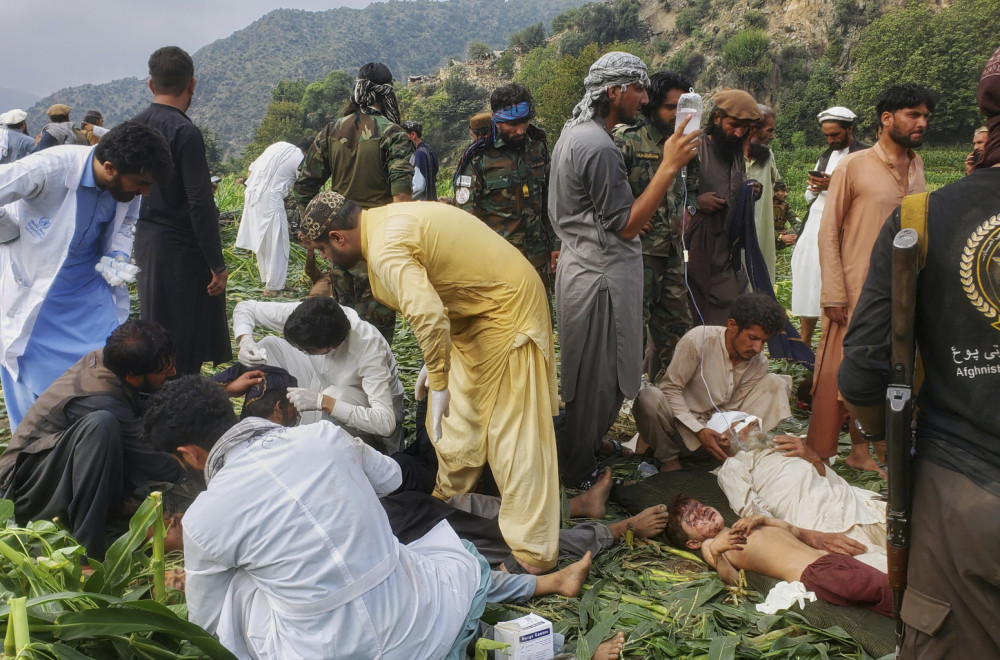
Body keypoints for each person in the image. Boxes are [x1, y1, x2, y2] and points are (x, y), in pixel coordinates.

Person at [147, 375, 592, 660]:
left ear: (187, 455)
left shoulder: (204, 519)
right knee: (428, 555)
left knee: (238, 589)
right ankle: (531, 638)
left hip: (324, 649)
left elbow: (207, 626)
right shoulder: (323, 436)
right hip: (422, 621)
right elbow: (393, 477)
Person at [300, 191, 560, 575]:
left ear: (339, 237)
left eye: (323, 249)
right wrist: (437, 358)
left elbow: (427, 313)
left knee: (512, 432)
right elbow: (446, 283)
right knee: (458, 419)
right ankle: (450, 498)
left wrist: (439, 376)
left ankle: (533, 553)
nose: (325, 258)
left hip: (506, 312)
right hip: (474, 317)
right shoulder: (385, 222)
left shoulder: (386, 247)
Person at [838, 45, 1000, 657]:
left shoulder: (927, 214)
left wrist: (883, 438)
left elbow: (863, 372)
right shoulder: (862, 170)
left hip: (963, 494)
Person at [549, 52, 702, 489]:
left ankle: (585, 446)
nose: (644, 96)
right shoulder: (599, 146)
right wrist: (669, 164)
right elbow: (626, 224)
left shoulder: (578, 135)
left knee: (593, 374)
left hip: (588, 268)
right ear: (612, 91)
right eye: (637, 88)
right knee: (599, 381)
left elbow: (610, 214)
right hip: (600, 279)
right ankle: (578, 472)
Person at [0, 121, 173, 429]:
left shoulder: (127, 187)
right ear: (110, 168)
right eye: (141, 183)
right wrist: (8, 230)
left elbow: (126, 224)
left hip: (88, 293)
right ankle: (33, 463)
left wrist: (118, 253)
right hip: (39, 296)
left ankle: (89, 445)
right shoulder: (50, 168)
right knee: (34, 390)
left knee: (101, 368)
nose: (145, 192)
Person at [806, 83, 933, 474]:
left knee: (886, 368)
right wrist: (833, 291)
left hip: (902, 288)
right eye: (914, 115)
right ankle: (819, 453)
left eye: (926, 116)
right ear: (886, 118)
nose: (922, 123)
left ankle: (861, 450)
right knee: (837, 373)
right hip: (854, 286)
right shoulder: (853, 165)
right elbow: (828, 230)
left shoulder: (917, 165)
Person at [0, 320, 183, 560]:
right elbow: (151, 459)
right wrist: (199, 466)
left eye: (171, 363)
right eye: (164, 370)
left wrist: (217, 391)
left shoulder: (113, 361)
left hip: (57, 463)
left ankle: (114, 504)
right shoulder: (101, 399)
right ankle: (87, 554)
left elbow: (150, 408)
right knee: (102, 426)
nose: (173, 372)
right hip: (23, 489)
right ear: (133, 377)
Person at [292, 62, 414, 343]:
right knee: (377, 335)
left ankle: (344, 383)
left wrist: (314, 231)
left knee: (344, 325)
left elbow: (303, 187)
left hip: (338, 245)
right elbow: (402, 200)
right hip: (377, 246)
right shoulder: (394, 134)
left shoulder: (331, 131)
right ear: (387, 94)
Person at [132, 46, 231, 375]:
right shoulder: (184, 132)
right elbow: (200, 202)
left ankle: (156, 396)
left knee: (155, 328)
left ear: (151, 85)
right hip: (181, 250)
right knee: (182, 335)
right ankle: (181, 403)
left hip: (145, 244)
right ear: (192, 84)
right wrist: (217, 264)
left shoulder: (135, 127)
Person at [633, 292, 791, 471]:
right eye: (753, 338)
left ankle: (736, 456)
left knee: (776, 383)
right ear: (732, 325)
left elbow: (737, 408)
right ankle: (668, 459)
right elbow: (670, 389)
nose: (757, 348)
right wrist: (699, 430)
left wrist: (730, 431)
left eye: (764, 341)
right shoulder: (699, 340)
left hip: (721, 438)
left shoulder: (759, 362)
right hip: (681, 431)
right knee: (648, 397)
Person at [665, 495, 891, 616]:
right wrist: (717, 551)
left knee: (882, 587)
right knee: (880, 586)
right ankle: (921, 615)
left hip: (833, 560)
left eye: (699, 505)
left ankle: (912, 615)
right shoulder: (712, 545)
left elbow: (792, 531)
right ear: (693, 542)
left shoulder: (747, 525)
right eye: (693, 519)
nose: (701, 511)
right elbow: (734, 581)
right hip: (817, 574)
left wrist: (763, 520)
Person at [232, 296, 405, 453]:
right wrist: (245, 340)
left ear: (335, 346)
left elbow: (385, 423)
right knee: (269, 346)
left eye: (307, 350)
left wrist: (323, 401)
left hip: (365, 405)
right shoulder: (307, 317)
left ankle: (337, 451)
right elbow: (245, 308)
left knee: (334, 394)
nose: (300, 351)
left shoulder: (369, 348)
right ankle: (272, 430)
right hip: (324, 380)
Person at [712, 417, 887, 571]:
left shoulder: (783, 448)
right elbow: (756, 517)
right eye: (743, 422)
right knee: (890, 570)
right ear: (725, 439)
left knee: (910, 541)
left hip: (861, 507)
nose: (755, 422)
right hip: (826, 526)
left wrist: (813, 458)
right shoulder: (733, 467)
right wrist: (814, 538)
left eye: (754, 419)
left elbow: (832, 481)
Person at [613, 71, 696, 380]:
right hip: (639, 252)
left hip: (672, 250)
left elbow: (694, 180)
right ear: (652, 107)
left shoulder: (684, 141)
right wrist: (627, 214)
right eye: (669, 107)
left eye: (681, 107)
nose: (676, 115)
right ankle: (624, 394)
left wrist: (691, 208)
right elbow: (607, 188)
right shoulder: (628, 139)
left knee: (677, 328)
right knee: (632, 327)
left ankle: (674, 395)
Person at [453, 83, 557, 291]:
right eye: (513, 124)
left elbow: (550, 199)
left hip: (539, 261)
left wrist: (556, 245)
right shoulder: (478, 158)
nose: (520, 130)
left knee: (542, 322)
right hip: (500, 267)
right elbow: (466, 220)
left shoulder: (537, 146)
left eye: (525, 122)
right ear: (497, 121)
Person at [790, 106, 870, 347]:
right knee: (807, 276)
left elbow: (868, 192)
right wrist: (815, 187)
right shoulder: (825, 155)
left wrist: (833, 184)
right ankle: (805, 341)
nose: (830, 140)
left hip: (841, 225)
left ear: (850, 128)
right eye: (827, 135)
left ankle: (832, 342)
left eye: (835, 135)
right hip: (814, 223)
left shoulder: (866, 155)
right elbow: (808, 197)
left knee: (831, 280)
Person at [685, 89, 761, 325]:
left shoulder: (735, 152)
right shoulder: (692, 148)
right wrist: (695, 203)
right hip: (693, 253)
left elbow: (735, 189)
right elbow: (666, 191)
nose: (739, 133)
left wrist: (751, 190)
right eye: (734, 125)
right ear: (717, 118)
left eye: (745, 127)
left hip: (727, 254)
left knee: (728, 320)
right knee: (685, 326)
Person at [236, 139, 306, 295]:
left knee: (264, 240)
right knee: (278, 241)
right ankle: (274, 287)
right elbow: (304, 189)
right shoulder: (300, 158)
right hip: (271, 198)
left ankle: (272, 281)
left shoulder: (278, 146)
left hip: (252, 195)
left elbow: (251, 170)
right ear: (307, 152)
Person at [745, 104, 781, 283]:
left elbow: (775, 185)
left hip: (762, 237)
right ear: (753, 129)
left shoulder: (768, 157)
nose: (773, 136)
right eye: (769, 130)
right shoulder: (730, 157)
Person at [400, 120, 438, 201]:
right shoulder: (429, 151)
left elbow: (419, 187)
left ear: (413, 135)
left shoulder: (419, 154)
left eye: (403, 136)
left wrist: (402, 199)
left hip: (421, 205)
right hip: (431, 202)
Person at [771, 181, 799, 251]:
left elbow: (798, 224)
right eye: (783, 191)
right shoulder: (763, 206)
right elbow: (760, 229)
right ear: (774, 192)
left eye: (786, 191)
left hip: (778, 243)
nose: (786, 194)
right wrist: (780, 237)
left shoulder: (786, 207)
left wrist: (791, 236)